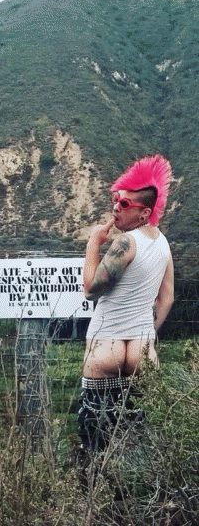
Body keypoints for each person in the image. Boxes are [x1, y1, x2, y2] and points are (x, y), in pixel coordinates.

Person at [79, 155, 174, 453]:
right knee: (140, 446)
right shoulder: (163, 244)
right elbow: (167, 298)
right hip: (142, 349)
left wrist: (93, 244)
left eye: (124, 204)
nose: (116, 208)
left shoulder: (125, 242)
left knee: (96, 445)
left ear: (145, 212)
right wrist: (147, 328)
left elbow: (91, 290)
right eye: (116, 200)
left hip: (105, 346)